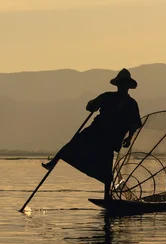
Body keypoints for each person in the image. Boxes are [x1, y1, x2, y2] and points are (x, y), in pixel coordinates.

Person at [42, 68, 142, 199]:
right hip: (96, 131)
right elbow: (90, 106)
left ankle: (107, 197)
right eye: (121, 84)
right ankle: (52, 163)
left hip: (111, 138)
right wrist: (93, 105)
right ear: (118, 85)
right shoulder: (107, 96)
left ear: (128, 86)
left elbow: (134, 124)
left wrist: (129, 138)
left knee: (107, 167)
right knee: (73, 144)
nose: (122, 87)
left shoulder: (131, 104)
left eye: (125, 84)